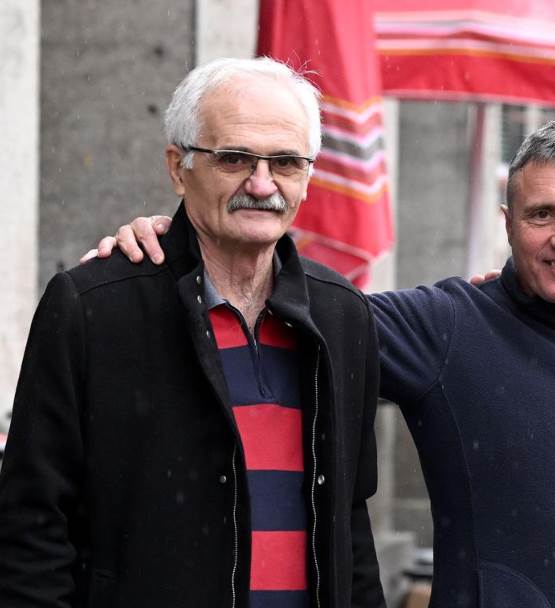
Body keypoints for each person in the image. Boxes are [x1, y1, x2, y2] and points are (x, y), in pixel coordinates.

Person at [89, 121, 555, 607]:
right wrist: (184, 245)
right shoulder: (449, 325)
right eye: (541, 215)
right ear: (507, 223)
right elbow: (284, 299)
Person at [0, 58, 385, 607]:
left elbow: (350, 525)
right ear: (178, 169)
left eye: (285, 162)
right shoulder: (93, 308)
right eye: (234, 158)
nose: (262, 184)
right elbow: (31, 527)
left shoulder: (343, 316)